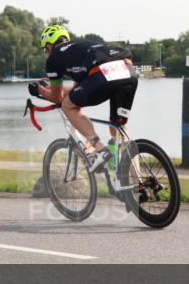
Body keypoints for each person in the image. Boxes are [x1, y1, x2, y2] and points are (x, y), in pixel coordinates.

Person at [30, 24, 138, 173]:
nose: (46, 53)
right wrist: (48, 88)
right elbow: (77, 90)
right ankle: (137, 184)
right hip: (127, 71)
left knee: (68, 105)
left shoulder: (53, 59)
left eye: (45, 50)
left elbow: (57, 97)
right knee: (119, 129)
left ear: (49, 46)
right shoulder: (80, 48)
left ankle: (100, 149)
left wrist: (40, 91)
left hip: (102, 74)